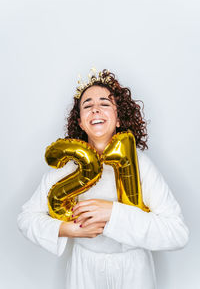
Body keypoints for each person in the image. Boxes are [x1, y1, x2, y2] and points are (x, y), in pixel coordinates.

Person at [17, 69, 189, 289]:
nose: (95, 108)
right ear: (80, 123)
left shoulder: (140, 164)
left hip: (134, 270)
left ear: (118, 119)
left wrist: (112, 213)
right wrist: (69, 230)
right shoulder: (67, 167)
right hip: (85, 269)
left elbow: (177, 232)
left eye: (105, 104)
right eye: (87, 105)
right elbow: (26, 218)